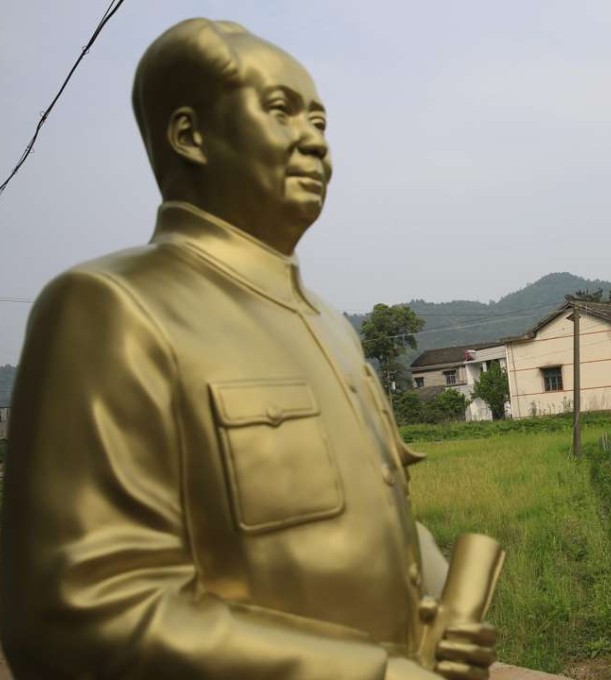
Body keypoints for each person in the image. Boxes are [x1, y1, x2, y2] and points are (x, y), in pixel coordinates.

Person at [0, 19, 495, 680]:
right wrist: (368, 674)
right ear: (190, 135)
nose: (314, 140)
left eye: (319, 120)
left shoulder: (332, 328)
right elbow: (79, 612)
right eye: (281, 111)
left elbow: (379, 518)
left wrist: (437, 604)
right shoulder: (113, 307)